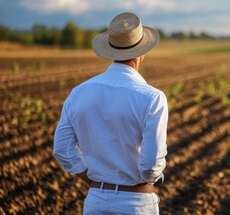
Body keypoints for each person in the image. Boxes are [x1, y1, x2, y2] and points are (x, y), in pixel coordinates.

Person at [53, 12, 168, 215]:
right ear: (142, 53)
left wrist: (91, 179)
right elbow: (150, 167)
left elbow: (62, 148)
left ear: (111, 49)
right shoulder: (153, 98)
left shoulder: (79, 92)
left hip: (95, 200)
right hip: (136, 202)